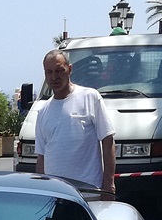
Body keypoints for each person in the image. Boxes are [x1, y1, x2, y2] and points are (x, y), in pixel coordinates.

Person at [34, 49, 116, 194]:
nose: (54, 77)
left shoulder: (90, 97)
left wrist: (109, 183)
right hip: (56, 195)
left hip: (89, 192)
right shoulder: (43, 111)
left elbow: (108, 140)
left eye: (59, 71)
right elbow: (41, 158)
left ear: (69, 69)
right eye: (49, 72)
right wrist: (42, 191)